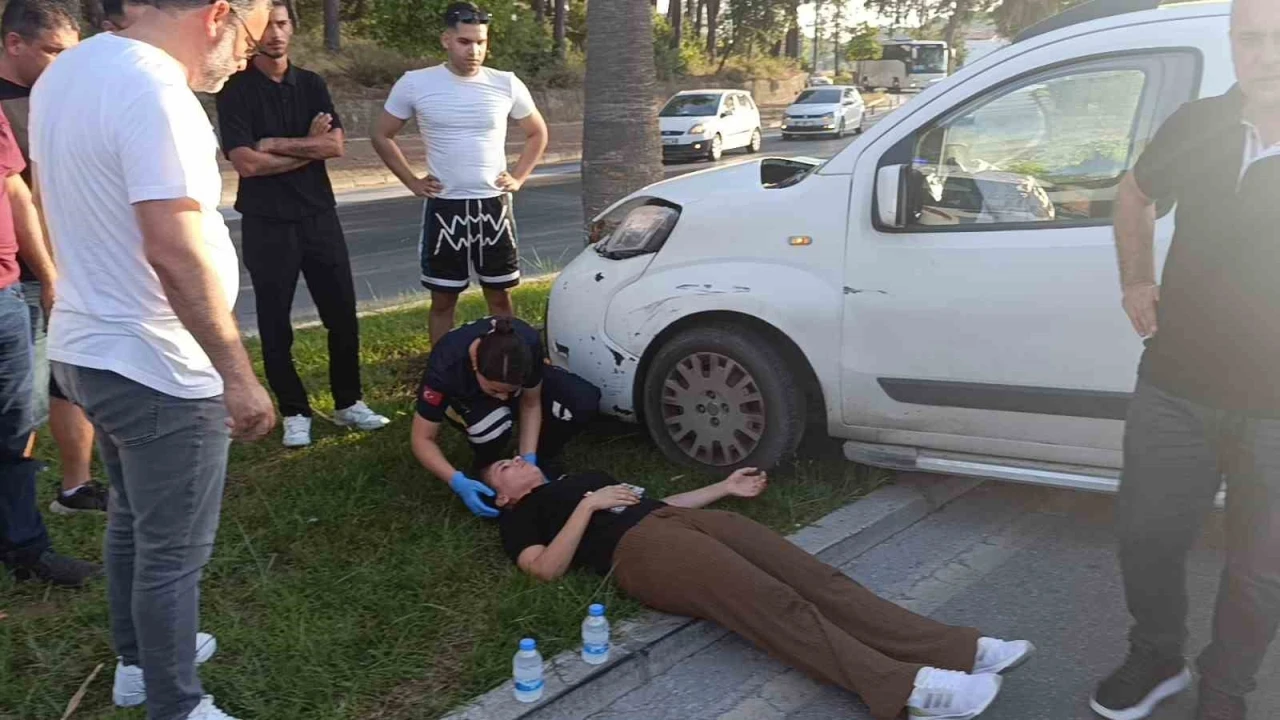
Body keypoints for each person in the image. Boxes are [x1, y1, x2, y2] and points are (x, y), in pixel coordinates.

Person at [30, 0, 275, 716]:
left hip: (87, 345)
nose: (244, 56)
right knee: (173, 551)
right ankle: (177, 703)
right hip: (158, 361)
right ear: (218, 14)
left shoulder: (67, 72)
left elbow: (55, 199)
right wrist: (236, 375)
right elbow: (172, 246)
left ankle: (139, 664)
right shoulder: (158, 91)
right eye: (250, 35)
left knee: (134, 520)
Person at [485, 459, 1035, 720]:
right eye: (505, 467)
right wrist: (588, 507)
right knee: (773, 604)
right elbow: (544, 569)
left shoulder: (580, 477)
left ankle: (956, 649)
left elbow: (661, 503)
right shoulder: (521, 516)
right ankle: (908, 688)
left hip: (678, 522)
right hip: (640, 552)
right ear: (504, 496)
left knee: (816, 578)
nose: (517, 462)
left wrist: (724, 486)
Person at [1093, 1, 1280, 719]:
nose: (1266, 55)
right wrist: (1136, 279)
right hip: (1176, 386)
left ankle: (1226, 689)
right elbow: (1135, 194)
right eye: (1250, 39)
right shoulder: (1198, 124)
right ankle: (1157, 656)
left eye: (1279, 39)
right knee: (1146, 538)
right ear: (1232, 42)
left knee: (1261, 572)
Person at [217, 0, 389, 448]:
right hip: (266, 221)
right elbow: (246, 163)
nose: (275, 34)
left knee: (342, 315)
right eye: (267, 26)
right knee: (276, 324)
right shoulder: (234, 90)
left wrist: (274, 143)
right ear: (252, 34)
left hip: (318, 215)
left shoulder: (312, 84)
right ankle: (295, 412)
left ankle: (349, 402)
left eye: (282, 23)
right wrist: (306, 146)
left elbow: (334, 147)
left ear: (292, 27)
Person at [371, 1, 549, 345]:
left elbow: (537, 132)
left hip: (493, 206)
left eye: (481, 42)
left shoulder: (505, 83)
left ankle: (505, 363)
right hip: (446, 205)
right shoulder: (416, 83)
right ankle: (441, 369)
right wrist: (412, 181)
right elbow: (381, 134)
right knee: (443, 300)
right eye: (465, 42)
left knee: (500, 297)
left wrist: (519, 176)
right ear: (446, 40)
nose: (474, 51)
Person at [0, 0, 107, 516]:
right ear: (14, 43)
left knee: (67, 378)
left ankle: (74, 486)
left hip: (72, 261)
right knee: (21, 401)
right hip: (22, 272)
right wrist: (46, 272)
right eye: (53, 51)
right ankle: (18, 505)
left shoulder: (66, 94)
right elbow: (20, 195)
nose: (64, 63)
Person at [0, 100, 99, 587]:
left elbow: (14, 187)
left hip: (6, 292)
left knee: (15, 426)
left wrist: (47, 272)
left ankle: (26, 551)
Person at [411, 316, 599, 517]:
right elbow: (422, 438)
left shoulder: (527, 343)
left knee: (582, 400)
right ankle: (488, 467)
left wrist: (529, 456)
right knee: (491, 428)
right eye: (495, 390)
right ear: (475, 366)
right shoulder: (445, 365)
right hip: (467, 398)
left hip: (519, 382)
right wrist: (456, 480)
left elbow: (530, 403)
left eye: (511, 391)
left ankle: (542, 458)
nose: (503, 398)